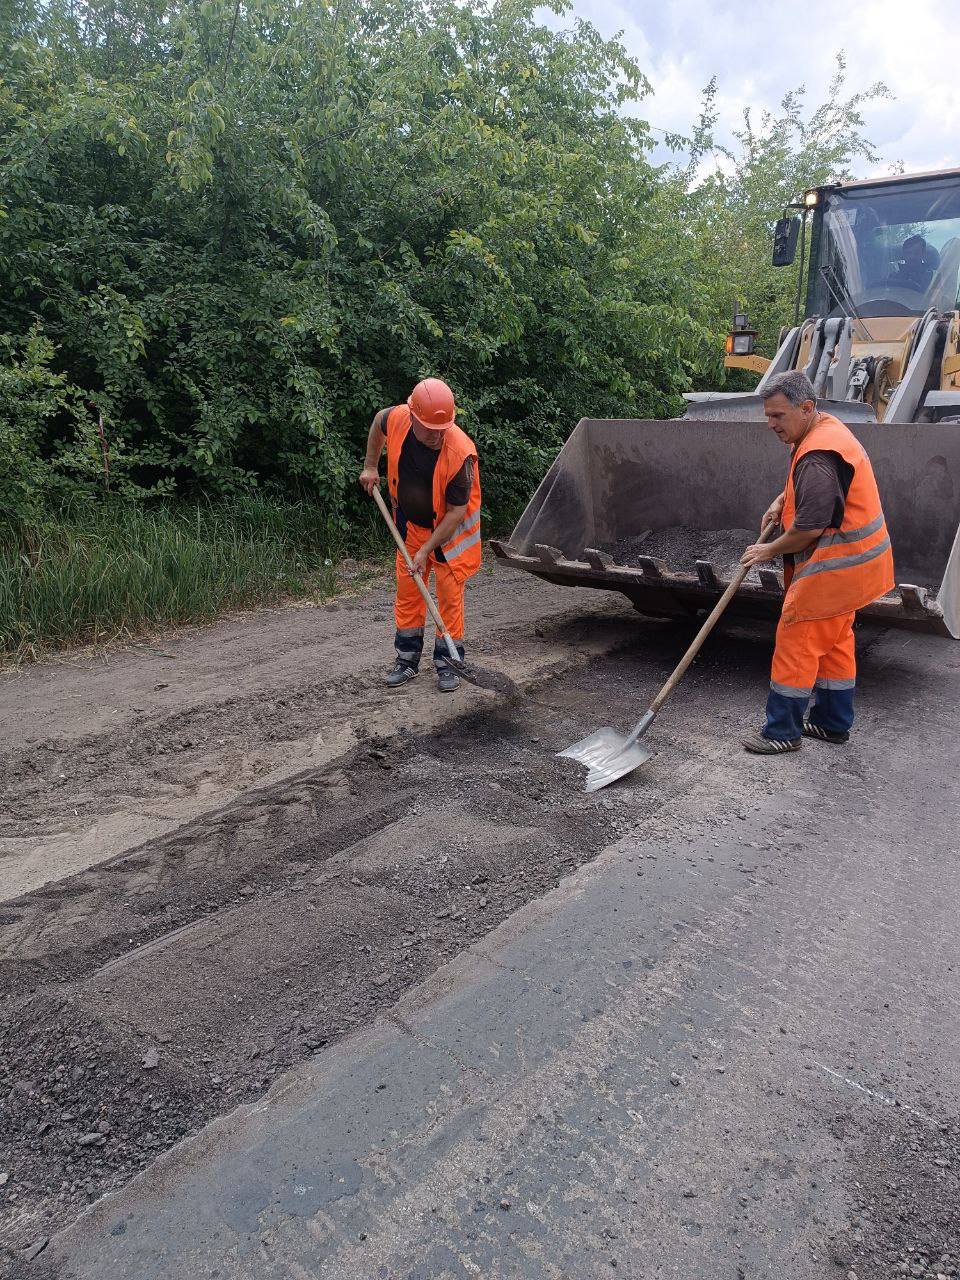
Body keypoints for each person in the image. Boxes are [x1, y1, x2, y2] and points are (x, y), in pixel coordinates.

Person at [740, 370, 894, 755]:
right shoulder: (824, 429)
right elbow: (813, 487)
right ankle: (831, 724)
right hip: (858, 569)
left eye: (778, 416)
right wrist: (782, 499)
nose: (771, 424)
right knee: (836, 644)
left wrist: (768, 550)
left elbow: (810, 526)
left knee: (797, 641)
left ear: (806, 407)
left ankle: (782, 732)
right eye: (768, 416)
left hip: (834, 569)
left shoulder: (817, 455)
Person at [359, 377, 482, 692]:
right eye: (430, 428)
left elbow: (455, 513)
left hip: (449, 538)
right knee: (410, 592)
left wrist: (427, 549)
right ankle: (406, 660)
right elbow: (377, 423)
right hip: (411, 527)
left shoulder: (461, 454)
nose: (437, 434)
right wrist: (371, 466)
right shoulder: (398, 417)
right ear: (413, 416)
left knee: (448, 599)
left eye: (443, 428)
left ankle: (449, 664)